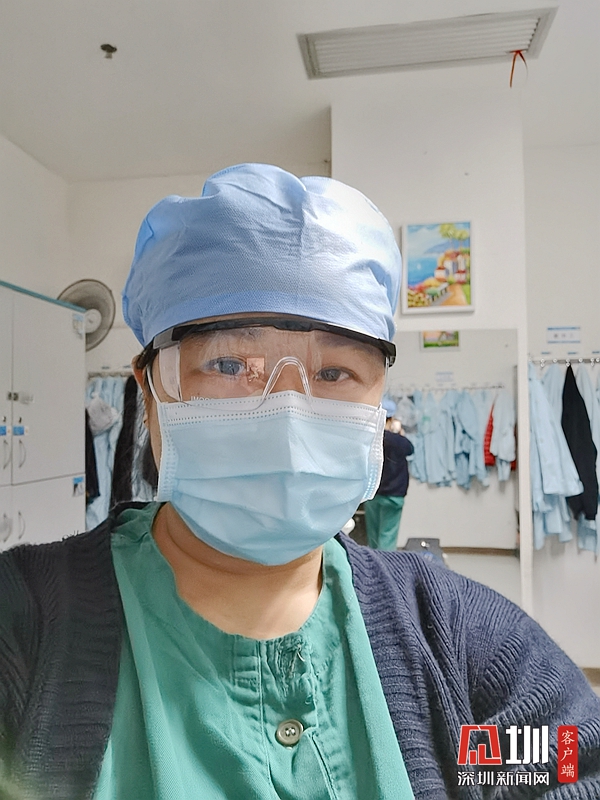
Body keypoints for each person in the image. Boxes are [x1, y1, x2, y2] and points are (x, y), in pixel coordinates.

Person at [0, 164, 599, 800]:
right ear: (150, 392)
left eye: (335, 372)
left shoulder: (459, 649)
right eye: (229, 364)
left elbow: (568, 767)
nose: (288, 415)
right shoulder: (24, 629)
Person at [363, 396, 414, 550]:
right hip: (393, 496)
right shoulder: (398, 441)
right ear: (392, 419)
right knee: (387, 535)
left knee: (373, 535)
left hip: (372, 495)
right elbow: (410, 449)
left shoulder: (369, 439)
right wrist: (399, 433)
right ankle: (385, 563)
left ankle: (372, 562)